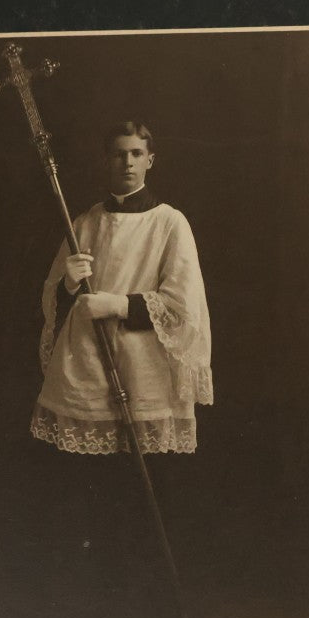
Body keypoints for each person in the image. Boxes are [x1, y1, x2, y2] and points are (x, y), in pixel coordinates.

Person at [31, 120, 214, 455]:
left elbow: (182, 307)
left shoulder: (169, 223)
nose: (127, 162)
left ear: (150, 160)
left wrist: (118, 305)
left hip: (142, 367)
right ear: (107, 161)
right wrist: (68, 283)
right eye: (118, 154)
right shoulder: (85, 223)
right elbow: (54, 304)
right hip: (85, 362)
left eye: (136, 153)